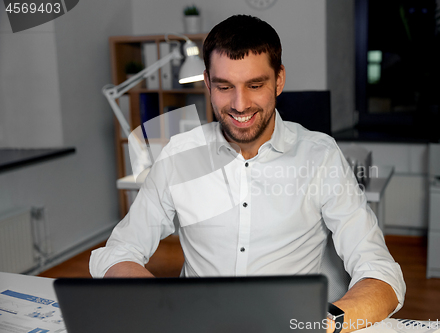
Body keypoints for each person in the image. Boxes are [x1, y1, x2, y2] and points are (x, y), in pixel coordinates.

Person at [90, 15, 405, 332]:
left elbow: (380, 271)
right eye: (225, 87)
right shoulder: (179, 155)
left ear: (279, 80)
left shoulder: (320, 156)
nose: (240, 105)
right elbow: (118, 252)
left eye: (255, 85)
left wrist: (322, 324)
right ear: (208, 82)